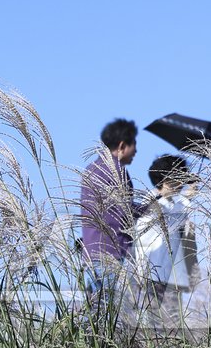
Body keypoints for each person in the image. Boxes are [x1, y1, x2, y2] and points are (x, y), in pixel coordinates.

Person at [124, 154, 199, 327]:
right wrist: (187, 198)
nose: (182, 182)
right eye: (180, 176)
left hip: (170, 277)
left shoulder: (174, 203)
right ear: (167, 179)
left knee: (172, 326)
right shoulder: (149, 201)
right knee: (153, 325)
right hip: (150, 275)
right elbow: (165, 211)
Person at [80, 118, 143, 299]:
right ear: (122, 145)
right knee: (112, 314)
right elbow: (125, 211)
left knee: (95, 313)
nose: (136, 151)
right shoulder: (117, 170)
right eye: (134, 145)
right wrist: (152, 205)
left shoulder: (90, 169)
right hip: (113, 252)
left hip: (92, 252)